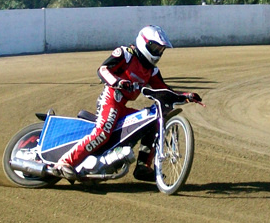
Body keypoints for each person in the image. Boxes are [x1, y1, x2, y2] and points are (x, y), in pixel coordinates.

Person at [54, 25, 201, 181]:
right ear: (143, 42)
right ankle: (65, 162)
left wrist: (186, 96)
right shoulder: (126, 54)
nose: (158, 52)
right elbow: (103, 70)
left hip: (122, 107)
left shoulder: (152, 70)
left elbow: (164, 91)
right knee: (103, 131)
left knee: (152, 121)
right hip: (110, 99)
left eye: (160, 49)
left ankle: (143, 166)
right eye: (155, 47)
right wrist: (118, 82)